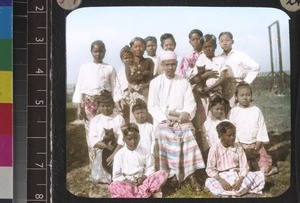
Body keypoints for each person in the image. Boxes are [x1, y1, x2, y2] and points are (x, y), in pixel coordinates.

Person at [148, 50, 205, 192]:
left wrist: (185, 113)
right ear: (162, 65)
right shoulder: (155, 83)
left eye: (173, 64)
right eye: (167, 65)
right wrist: (164, 119)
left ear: (176, 64)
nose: (170, 68)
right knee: (164, 134)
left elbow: (191, 103)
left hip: (181, 120)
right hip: (163, 121)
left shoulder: (183, 82)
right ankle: (170, 176)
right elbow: (152, 106)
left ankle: (191, 175)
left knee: (187, 134)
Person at [72, 40, 117, 163]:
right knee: (92, 131)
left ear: (105, 52)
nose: (98, 54)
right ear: (91, 52)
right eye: (95, 51)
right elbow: (80, 87)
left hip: (105, 103)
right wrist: (79, 107)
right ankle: (94, 162)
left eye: (101, 51)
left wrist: (116, 103)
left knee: (106, 129)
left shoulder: (110, 68)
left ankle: (107, 160)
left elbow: (114, 87)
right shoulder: (85, 67)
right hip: (89, 104)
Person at [228, 83, 278, 175]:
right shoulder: (233, 112)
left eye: (248, 95)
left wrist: (258, 143)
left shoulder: (256, 110)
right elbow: (231, 130)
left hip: (256, 145)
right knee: (241, 168)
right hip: (240, 146)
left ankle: (268, 169)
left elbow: (261, 128)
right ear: (236, 97)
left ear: (251, 96)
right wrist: (238, 145)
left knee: (263, 168)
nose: (245, 98)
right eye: (242, 95)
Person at [205, 121, 265, 196]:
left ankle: (231, 191)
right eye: (229, 135)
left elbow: (244, 167)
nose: (232, 138)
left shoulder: (238, 147)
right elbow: (210, 169)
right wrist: (221, 181)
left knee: (259, 176)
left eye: (234, 135)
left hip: (237, 175)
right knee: (209, 182)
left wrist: (240, 180)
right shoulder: (214, 149)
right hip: (222, 176)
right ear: (220, 136)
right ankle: (238, 191)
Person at [108, 123, 168, 198]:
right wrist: (128, 181)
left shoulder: (145, 152)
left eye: (135, 138)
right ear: (124, 139)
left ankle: (139, 193)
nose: (133, 141)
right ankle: (145, 194)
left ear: (139, 137)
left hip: (143, 182)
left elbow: (150, 168)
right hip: (128, 184)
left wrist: (142, 178)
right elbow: (116, 176)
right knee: (114, 186)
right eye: (129, 139)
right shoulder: (119, 155)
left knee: (162, 173)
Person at [88, 90, 125, 183]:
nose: (106, 108)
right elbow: (92, 140)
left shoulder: (119, 118)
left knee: (120, 169)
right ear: (98, 107)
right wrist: (106, 146)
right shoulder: (95, 120)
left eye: (108, 105)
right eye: (102, 106)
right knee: (99, 177)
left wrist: (114, 154)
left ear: (113, 105)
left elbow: (122, 138)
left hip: (118, 149)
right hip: (102, 149)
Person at [218, 32, 260, 106]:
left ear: (232, 41)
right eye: (222, 41)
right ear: (219, 43)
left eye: (227, 40)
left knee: (237, 109)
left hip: (237, 86)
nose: (225, 43)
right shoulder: (218, 58)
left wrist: (246, 81)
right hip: (223, 88)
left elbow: (256, 66)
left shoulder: (240, 55)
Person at [201, 95, 230, 162]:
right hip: (212, 152)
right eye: (217, 109)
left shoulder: (226, 122)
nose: (219, 111)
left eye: (221, 109)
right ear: (211, 108)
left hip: (225, 151)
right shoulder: (207, 124)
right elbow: (206, 141)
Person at [114, 45, 133, 123]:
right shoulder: (120, 73)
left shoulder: (136, 69)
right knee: (125, 120)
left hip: (134, 97)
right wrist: (121, 99)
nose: (128, 60)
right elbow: (117, 88)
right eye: (125, 58)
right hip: (124, 99)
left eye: (130, 57)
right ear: (122, 60)